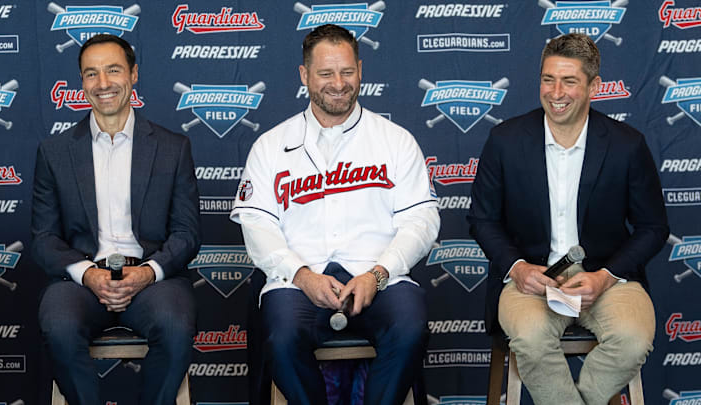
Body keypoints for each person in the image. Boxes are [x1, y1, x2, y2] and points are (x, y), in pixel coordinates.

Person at [230, 24, 440, 405]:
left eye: (347, 71)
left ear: (360, 69)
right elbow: (257, 225)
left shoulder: (395, 140)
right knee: (279, 336)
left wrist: (378, 274)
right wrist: (302, 275)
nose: (338, 83)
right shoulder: (271, 146)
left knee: (410, 326)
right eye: (326, 73)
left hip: (379, 277)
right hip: (298, 280)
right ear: (304, 75)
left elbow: (421, 222)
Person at [468, 33, 669, 405]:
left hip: (608, 275)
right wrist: (517, 268)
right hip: (531, 278)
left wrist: (606, 276)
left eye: (570, 81)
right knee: (528, 337)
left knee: (633, 338)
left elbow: (653, 228)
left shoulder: (627, 144)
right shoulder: (505, 140)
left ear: (595, 86)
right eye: (548, 79)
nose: (556, 92)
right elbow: (482, 219)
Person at [31, 34, 201, 405]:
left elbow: (187, 234)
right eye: (91, 74)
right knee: (57, 325)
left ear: (134, 74)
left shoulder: (173, 148)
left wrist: (148, 272)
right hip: (81, 281)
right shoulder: (54, 152)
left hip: (152, 280)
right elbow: (44, 238)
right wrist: (88, 274)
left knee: (175, 326)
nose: (103, 83)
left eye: (113, 70)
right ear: (82, 83)